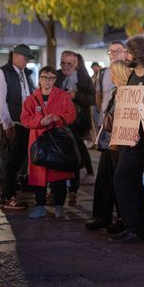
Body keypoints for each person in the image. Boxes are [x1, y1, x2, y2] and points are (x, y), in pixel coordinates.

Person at [112, 35, 144, 243]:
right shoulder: (133, 77)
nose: (126, 56)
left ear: (138, 53)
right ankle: (138, 226)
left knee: (122, 178)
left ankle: (136, 227)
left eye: (129, 52)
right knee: (129, 179)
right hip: (133, 139)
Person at [21, 65, 77, 220]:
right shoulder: (31, 99)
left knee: (58, 174)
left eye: (51, 78)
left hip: (57, 142)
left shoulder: (63, 96)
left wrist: (58, 118)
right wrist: (41, 120)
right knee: (38, 177)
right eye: (44, 77)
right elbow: (25, 119)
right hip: (38, 142)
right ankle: (39, 207)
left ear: (55, 79)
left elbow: (71, 115)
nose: (47, 81)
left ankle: (59, 207)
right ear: (39, 79)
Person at [86, 60, 131, 232]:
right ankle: (103, 215)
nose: (110, 76)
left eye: (113, 72)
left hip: (119, 142)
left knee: (119, 179)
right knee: (104, 178)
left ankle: (122, 218)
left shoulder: (127, 93)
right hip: (108, 140)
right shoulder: (115, 92)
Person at [0, 44, 36, 210]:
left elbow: (28, 96)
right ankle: (7, 197)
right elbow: (0, 100)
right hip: (12, 123)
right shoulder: (2, 72)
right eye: (25, 58)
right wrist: (7, 124)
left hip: (24, 123)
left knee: (18, 159)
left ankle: (12, 192)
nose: (26, 62)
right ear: (16, 55)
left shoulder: (24, 74)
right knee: (10, 160)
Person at [55, 50, 95, 206]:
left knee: (75, 156)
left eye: (69, 64)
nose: (65, 66)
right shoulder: (56, 75)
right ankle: (56, 191)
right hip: (57, 122)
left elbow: (92, 98)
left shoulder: (83, 77)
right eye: (63, 63)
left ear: (76, 64)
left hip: (76, 123)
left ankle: (73, 190)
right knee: (57, 157)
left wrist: (75, 95)